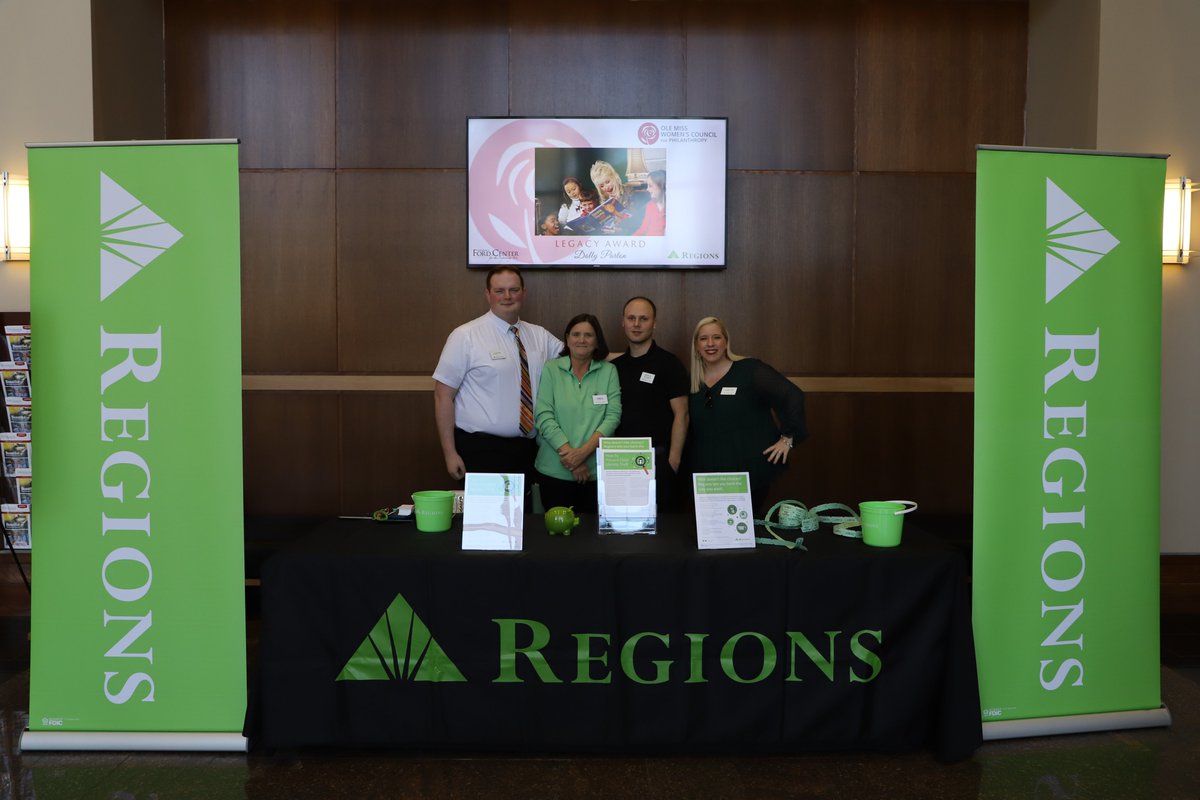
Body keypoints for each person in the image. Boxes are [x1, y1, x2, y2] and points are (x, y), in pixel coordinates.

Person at [433, 266, 563, 494]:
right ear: (487, 294)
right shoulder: (465, 336)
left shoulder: (539, 336)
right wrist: (449, 453)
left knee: (522, 522)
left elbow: (581, 356)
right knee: (486, 524)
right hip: (481, 450)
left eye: (513, 290)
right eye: (499, 290)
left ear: (524, 292)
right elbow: (442, 395)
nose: (507, 296)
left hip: (527, 450)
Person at [687, 316, 807, 512]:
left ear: (726, 342)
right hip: (708, 476)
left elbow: (792, 395)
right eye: (703, 339)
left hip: (748, 472)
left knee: (742, 532)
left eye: (716, 337)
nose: (710, 344)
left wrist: (788, 438)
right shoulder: (692, 381)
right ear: (696, 345)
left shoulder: (750, 370)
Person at [534, 314, 622, 513]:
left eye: (588, 335)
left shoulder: (609, 371)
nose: (582, 340)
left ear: (597, 340)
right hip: (554, 471)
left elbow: (612, 417)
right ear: (567, 338)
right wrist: (572, 460)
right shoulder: (551, 369)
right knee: (556, 536)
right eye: (576, 334)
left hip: (596, 473)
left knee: (593, 539)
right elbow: (544, 416)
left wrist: (581, 455)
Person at [610, 296, 688, 511]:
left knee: (661, 534)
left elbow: (682, 415)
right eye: (631, 318)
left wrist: (673, 461)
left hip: (658, 462)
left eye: (643, 319)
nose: (636, 324)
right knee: (621, 528)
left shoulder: (669, 364)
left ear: (654, 323)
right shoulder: (613, 367)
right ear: (622, 322)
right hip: (619, 463)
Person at [589, 160, 647, 234]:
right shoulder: (604, 199)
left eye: (607, 182)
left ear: (614, 177)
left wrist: (615, 213)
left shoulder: (628, 191)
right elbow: (606, 222)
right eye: (602, 186)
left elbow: (635, 219)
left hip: (629, 232)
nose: (606, 187)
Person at [632, 170, 666, 236]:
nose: (647, 189)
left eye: (650, 186)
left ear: (661, 186)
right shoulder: (650, 205)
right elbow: (643, 228)